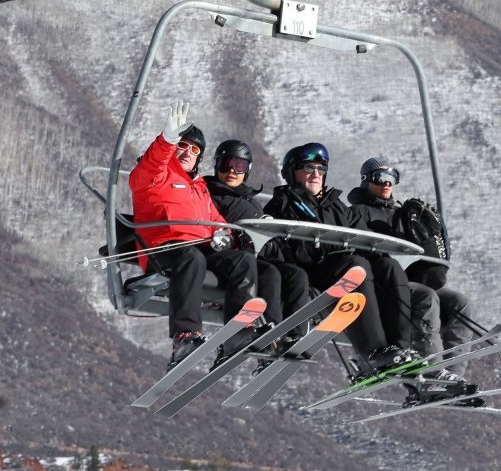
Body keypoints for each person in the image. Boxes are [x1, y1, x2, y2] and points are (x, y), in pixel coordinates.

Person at [262, 142, 417, 373]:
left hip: (345, 267)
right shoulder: (282, 204)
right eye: (308, 169)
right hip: (313, 270)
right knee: (357, 266)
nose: (315, 175)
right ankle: (373, 352)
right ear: (292, 172)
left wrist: (383, 249)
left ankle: (400, 349)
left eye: (320, 170)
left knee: (389, 266)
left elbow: (364, 233)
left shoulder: (335, 205)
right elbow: (279, 247)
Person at [129, 101, 258, 371]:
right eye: (183, 145)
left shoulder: (198, 186)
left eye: (195, 149)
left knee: (242, 262)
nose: (188, 152)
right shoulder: (153, 175)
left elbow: (215, 221)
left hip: (199, 249)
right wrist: (166, 140)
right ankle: (185, 335)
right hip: (163, 249)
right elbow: (153, 164)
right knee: (191, 258)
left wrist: (238, 237)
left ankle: (238, 331)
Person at [347, 157, 475, 379]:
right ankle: (431, 372)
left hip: (407, 278)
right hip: (383, 283)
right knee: (425, 297)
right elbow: (357, 250)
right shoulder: (358, 212)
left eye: (392, 178)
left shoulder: (400, 214)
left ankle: (453, 374)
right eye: (380, 178)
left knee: (459, 303)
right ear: (366, 180)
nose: (387, 183)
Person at [204, 140, 309, 350]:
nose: (232, 171)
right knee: (270, 274)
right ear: (216, 165)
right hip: (233, 258)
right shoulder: (210, 194)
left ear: (247, 169)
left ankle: (294, 335)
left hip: (260, 254)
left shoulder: (249, 198)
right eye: (226, 164)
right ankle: (272, 333)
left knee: (296, 275)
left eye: (239, 166)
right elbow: (210, 227)